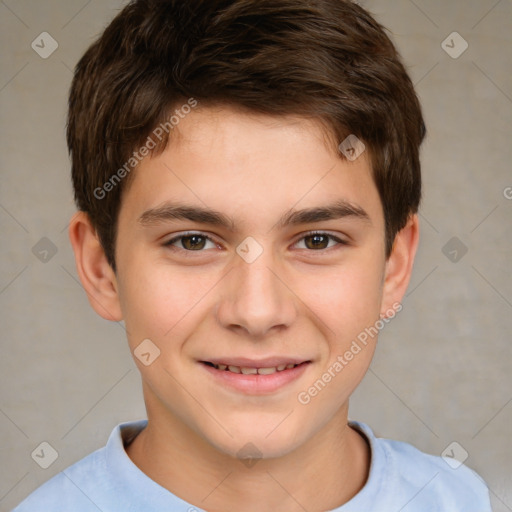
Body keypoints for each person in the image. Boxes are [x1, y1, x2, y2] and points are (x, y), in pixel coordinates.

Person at [13, 0, 491, 510]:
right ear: (100, 268)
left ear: (394, 267)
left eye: (317, 240)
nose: (258, 312)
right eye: (193, 241)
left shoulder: (461, 500)